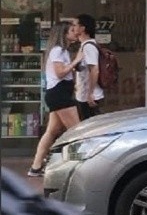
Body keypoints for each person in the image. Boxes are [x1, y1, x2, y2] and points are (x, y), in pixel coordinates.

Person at [28, 22, 83, 177]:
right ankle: (75, 164)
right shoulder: (57, 51)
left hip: (59, 93)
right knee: (77, 131)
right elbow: (60, 73)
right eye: (72, 30)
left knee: (52, 132)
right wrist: (76, 60)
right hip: (59, 95)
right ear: (64, 34)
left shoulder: (61, 51)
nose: (75, 33)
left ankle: (36, 166)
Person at [74, 14, 104, 121]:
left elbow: (94, 70)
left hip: (89, 96)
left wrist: (90, 93)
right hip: (84, 94)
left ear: (83, 28)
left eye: (75, 25)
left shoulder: (89, 47)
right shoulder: (85, 45)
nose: (73, 28)